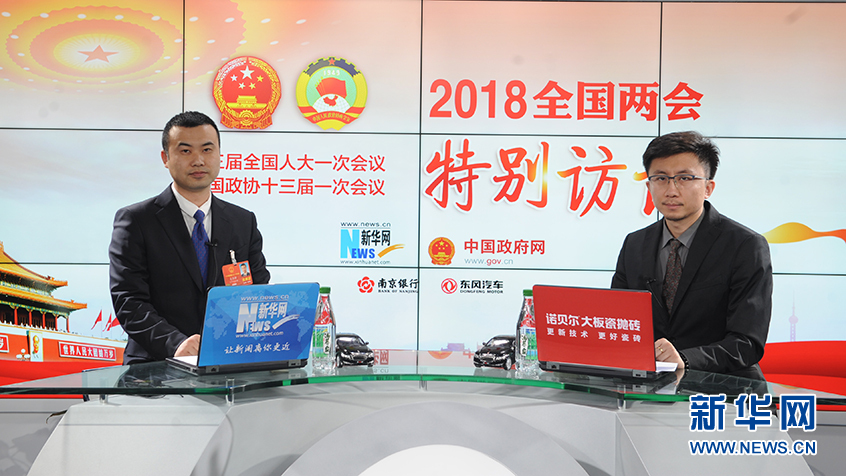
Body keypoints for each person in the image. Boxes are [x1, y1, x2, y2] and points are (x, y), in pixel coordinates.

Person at [109, 111, 270, 364]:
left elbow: (258, 292)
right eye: (185, 151)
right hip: (155, 366)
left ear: (219, 154)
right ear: (165, 158)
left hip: (229, 363)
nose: (198, 160)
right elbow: (129, 301)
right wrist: (175, 343)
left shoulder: (243, 221)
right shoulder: (136, 221)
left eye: (207, 150)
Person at [611, 131, 772, 380]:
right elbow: (619, 324)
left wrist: (685, 359)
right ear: (649, 186)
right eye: (661, 178)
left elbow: (747, 342)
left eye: (684, 178)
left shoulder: (745, 245)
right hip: (649, 385)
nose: (671, 190)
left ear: (708, 187)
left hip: (724, 387)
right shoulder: (635, 244)